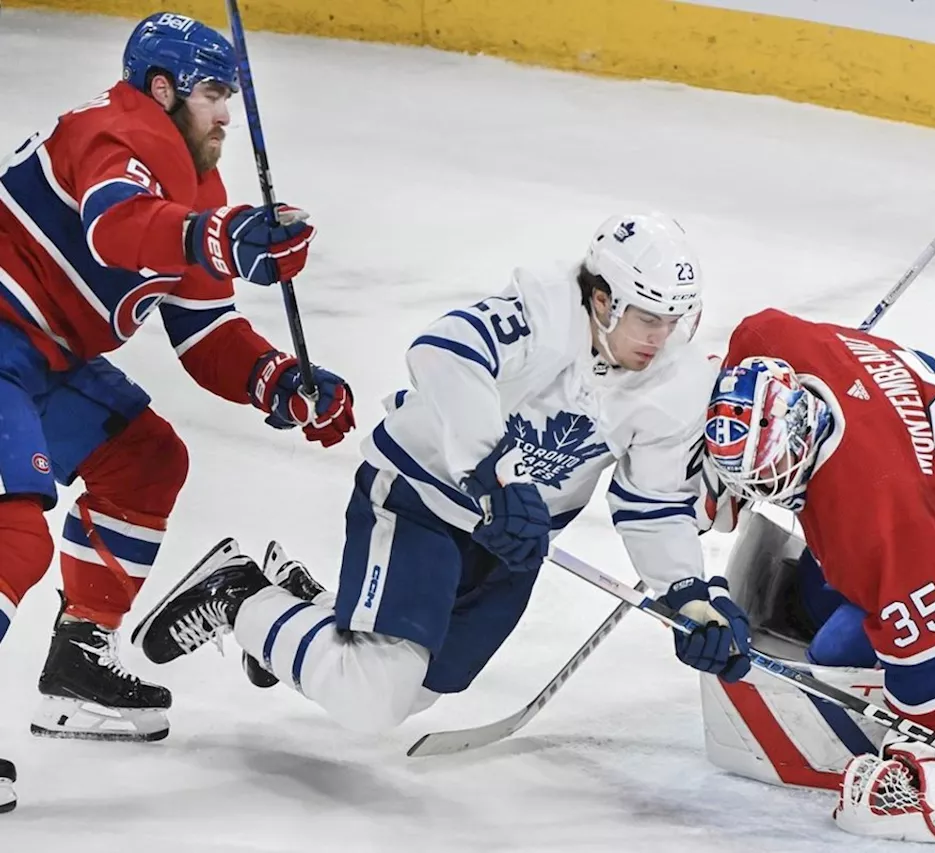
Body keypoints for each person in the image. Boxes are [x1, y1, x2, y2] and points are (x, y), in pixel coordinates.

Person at [131, 213, 753, 736]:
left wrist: (692, 601)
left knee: (424, 687)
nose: (662, 336)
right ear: (602, 299)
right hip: (420, 501)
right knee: (371, 697)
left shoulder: (671, 381)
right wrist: (495, 476)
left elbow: (653, 504)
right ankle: (239, 596)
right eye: (648, 317)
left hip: (511, 542)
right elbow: (443, 351)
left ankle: (304, 606)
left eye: (674, 320)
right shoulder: (542, 313)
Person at [0, 8, 355, 779]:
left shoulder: (196, 180)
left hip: (40, 355)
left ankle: (76, 667)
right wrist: (222, 238)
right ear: (160, 90)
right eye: (211, 92)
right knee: (14, 534)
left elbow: (205, 336)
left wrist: (285, 383)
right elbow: (115, 228)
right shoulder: (114, 130)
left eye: (232, 92)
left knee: (147, 460)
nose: (227, 111)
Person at [700, 307, 935, 842]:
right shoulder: (771, 343)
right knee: (817, 597)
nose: (765, 490)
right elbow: (750, 337)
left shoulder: (875, 514)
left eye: (769, 475)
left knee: (835, 646)